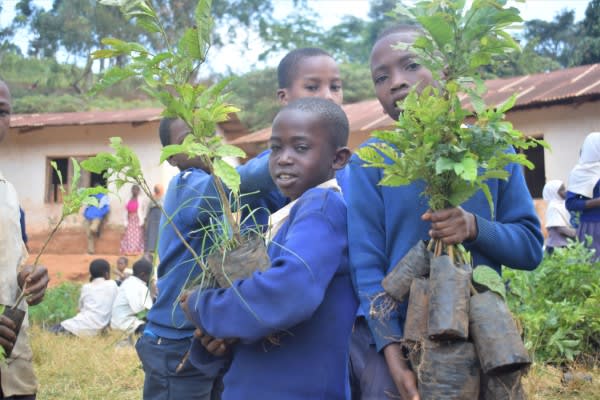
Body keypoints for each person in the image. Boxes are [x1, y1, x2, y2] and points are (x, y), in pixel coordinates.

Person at [345, 25, 544, 400]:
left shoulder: (491, 148)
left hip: (484, 344)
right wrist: (393, 358)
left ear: (447, 71)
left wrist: (474, 227)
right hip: (406, 342)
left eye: (411, 65)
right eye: (381, 77)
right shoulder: (372, 161)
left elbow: (531, 249)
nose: (396, 84)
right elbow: (368, 269)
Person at [136, 47, 345, 400]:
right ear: (171, 158)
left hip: (225, 330)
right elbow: (245, 180)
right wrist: (298, 149)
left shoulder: (302, 200)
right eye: (188, 138)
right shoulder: (187, 185)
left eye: (208, 133)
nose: (202, 142)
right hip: (176, 337)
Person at [183, 97, 356, 399]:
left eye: (301, 148)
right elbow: (269, 318)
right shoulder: (294, 214)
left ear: (338, 159)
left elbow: (289, 293)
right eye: (276, 148)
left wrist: (204, 307)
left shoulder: (321, 207)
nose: (284, 158)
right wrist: (219, 341)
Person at [0, 79, 50, 400]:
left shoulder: (7, 191)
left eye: (2, 111)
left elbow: (15, 261)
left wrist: (29, 276)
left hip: (11, 365)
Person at [53, 258, 118, 337]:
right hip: (92, 330)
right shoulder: (112, 285)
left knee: (51, 331)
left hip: (75, 326)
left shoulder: (86, 287)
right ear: (107, 274)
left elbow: (79, 309)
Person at [566, 131, 600, 261]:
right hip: (592, 227)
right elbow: (570, 203)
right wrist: (596, 202)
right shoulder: (580, 173)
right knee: (593, 270)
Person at [111, 258, 153, 335]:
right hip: (126, 324)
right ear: (143, 274)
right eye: (150, 274)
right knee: (157, 330)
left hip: (116, 322)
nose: (151, 277)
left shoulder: (128, 282)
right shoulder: (139, 286)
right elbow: (142, 313)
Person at [543, 180, 576, 254]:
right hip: (557, 246)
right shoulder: (553, 207)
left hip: (566, 244)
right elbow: (560, 228)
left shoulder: (563, 204)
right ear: (553, 192)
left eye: (564, 188)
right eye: (561, 190)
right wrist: (576, 233)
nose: (565, 191)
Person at [120, 185, 145, 256]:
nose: (135, 191)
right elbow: (125, 210)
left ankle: (136, 251)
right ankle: (129, 251)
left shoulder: (141, 199)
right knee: (128, 235)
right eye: (133, 190)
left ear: (139, 191)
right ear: (131, 191)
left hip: (137, 219)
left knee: (138, 236)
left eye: (136, 190)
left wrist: (143, 219)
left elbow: (143, 210)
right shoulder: (128, 199)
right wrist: (125, 221)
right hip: (130, 219)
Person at [83, 190, 110, 254]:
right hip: (88, 217)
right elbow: (87, 206)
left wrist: (100, 214)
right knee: (89, 235)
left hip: (97, 217)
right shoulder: (91, 196)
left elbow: (107, 208)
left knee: (93, 229)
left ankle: (97, 232)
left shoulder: (103, 197)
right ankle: (91, 251)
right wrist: (85, 213)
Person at [144, 184, 164, 259]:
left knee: (160, 231)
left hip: (161, 215)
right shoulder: (152, 197)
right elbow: (149, 207)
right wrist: (146, 216)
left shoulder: (164, 197)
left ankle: (159, 248)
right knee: (152, 231)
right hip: (153, 215)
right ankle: (151, 248)